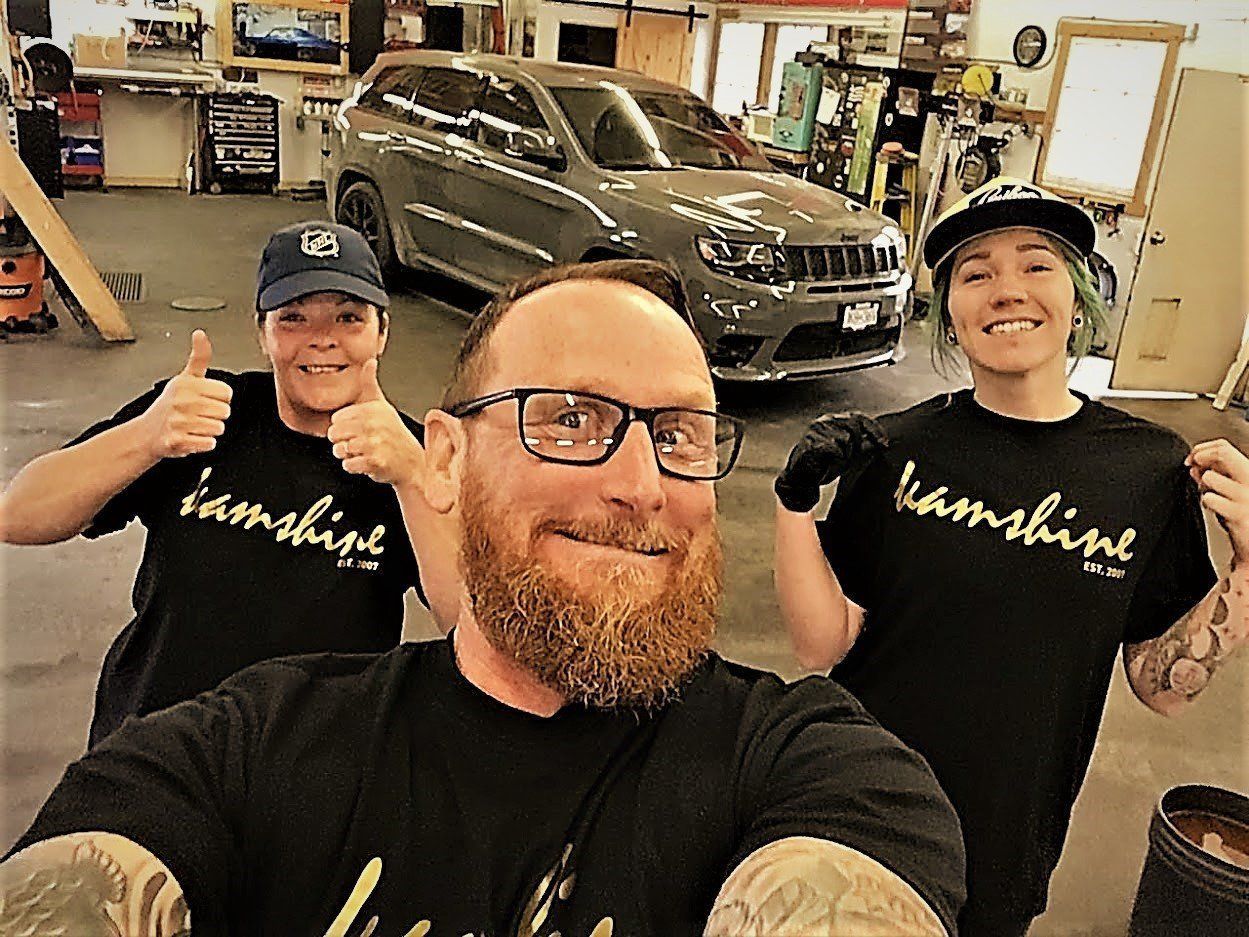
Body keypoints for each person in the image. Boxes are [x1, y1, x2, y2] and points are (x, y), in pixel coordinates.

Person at [1, 260, 967, 936]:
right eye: (572, 419)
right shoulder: (234, 750)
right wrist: (149, 436)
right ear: (454, 454)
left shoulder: (815, 769)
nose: (641, 483)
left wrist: (402, 477)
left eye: (679, 431)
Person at [774, 177, 1249, 936]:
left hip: (1002, 844)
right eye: (975, 272)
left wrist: (1248, 570)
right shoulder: (892, 447)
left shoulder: (1145, 469)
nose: (1006, 290)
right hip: (855, 804)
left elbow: (1163, 686)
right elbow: (821, 642)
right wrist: (793, 506)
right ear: (951, 312)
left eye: (1035, 264)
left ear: (1077, 294)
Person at [0, 221, 448, 746]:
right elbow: (18, 515)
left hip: (318, 765)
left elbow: (471, 624)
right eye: (294, 318)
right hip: (157, 747)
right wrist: (147, 437)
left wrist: (413, 477)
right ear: (263, 333)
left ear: (382, 333)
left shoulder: (412, 455)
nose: (322, 338)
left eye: (348, 318)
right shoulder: (199, 413)